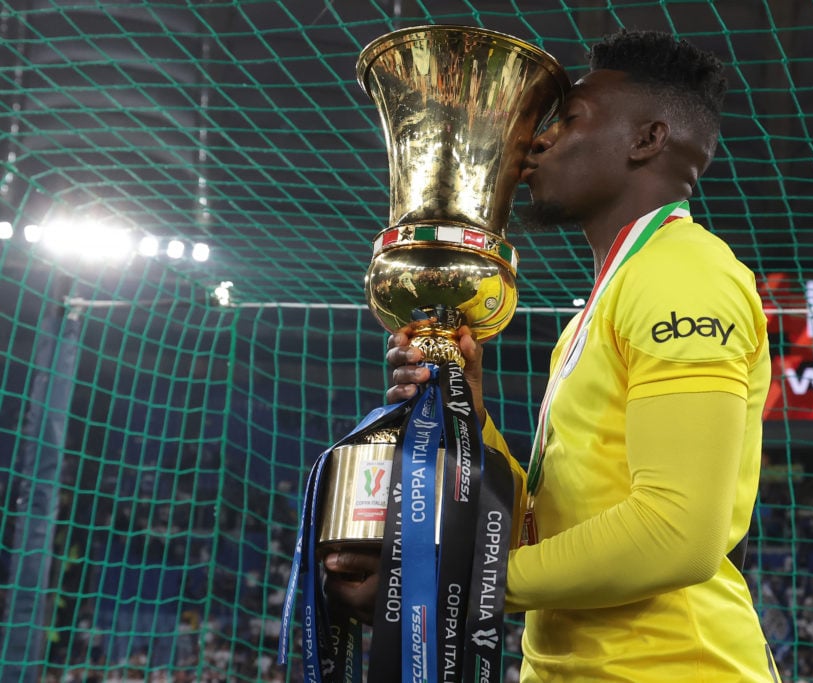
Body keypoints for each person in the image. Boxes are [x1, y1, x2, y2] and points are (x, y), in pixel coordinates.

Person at [324, 28, 780, 681]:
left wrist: (456, 588)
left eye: (567, 121)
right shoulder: (604, 303)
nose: (537, 140)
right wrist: (465, 409)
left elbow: (678, 532)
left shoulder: (684, 274)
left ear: (647, 140)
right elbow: (548, 519)